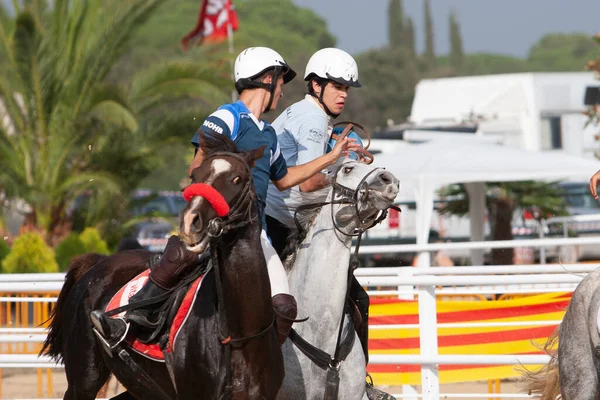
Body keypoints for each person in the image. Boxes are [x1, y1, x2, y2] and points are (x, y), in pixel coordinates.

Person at [90, 47, 358, 349]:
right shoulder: (227, 116)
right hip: (217, 227)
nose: (283, 92)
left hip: (258, 236)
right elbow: (196, 166)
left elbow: (284, 180)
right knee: (180, 255)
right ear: (268, 80)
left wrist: (331, 157)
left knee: (284, 308)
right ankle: (125, 320)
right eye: (281, 83)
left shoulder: (268, 134)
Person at [264, 47, 396, 400]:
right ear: (315, 85)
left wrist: (342, 159)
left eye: (346, 88)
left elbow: (315, 173)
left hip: (298, 223)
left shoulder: (313, 118)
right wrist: (342, 167)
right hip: (280, 225)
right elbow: (308, 183)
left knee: (355, 298)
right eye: (337, 85)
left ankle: (359, 382)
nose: (343, 94)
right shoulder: (309, 119)